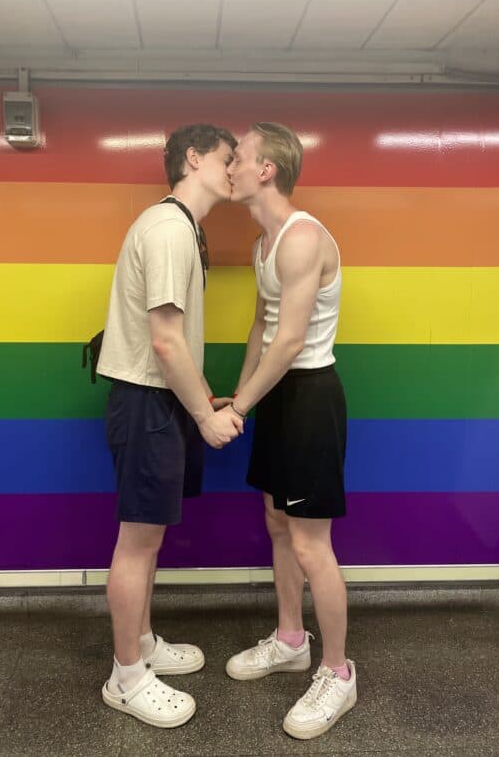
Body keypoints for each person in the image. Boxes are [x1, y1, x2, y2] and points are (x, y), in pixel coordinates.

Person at [97, 123, 244, 728]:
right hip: (148, 401)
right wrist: (205, 414)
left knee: (150, 537)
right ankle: (125, 676)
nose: (236, 168)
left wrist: (198, 404)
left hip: (164, 401)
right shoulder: (166, 229)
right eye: (228, 157)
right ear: (193, 157)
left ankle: (145, 642)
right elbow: (164, 340)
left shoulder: (184, 227)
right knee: (138, 541)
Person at [224, 122, 356, 739]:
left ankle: (337, 672)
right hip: (276, 396)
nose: (231, 167)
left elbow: (293, 340)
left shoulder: (304, 239)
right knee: (278, 524)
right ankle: (290, 640)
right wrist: (240, 394)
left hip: (308, 396)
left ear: (267, 169)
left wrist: (238, 409)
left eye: (240, 158)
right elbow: (260, 327)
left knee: (311, 543)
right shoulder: (262, 242)